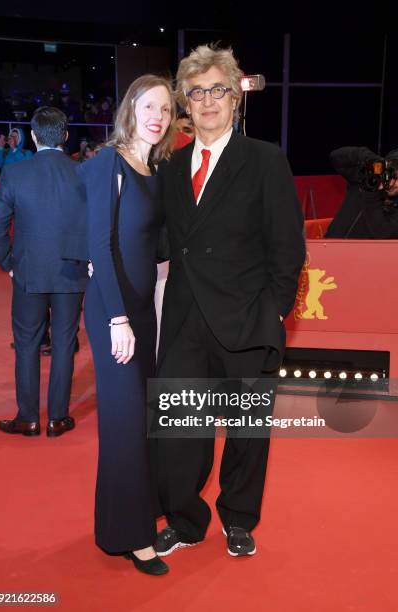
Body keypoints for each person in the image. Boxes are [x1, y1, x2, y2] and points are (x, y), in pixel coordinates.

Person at [152, 44, 305, 558]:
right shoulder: (171, 167)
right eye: (197, 92)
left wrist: (273, 313)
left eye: (219, 89)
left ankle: (238, 518)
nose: (209, 101)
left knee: (246, 433)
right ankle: (184, 519)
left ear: (235, 98)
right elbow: (161, 240)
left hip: (245, 318)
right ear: (186, 104)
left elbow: (288, 248)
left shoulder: (264, 159)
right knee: (180, 432)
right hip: (184, 320)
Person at [78, 75, 175, 576]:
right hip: (113, 310)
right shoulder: (108, 164)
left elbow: (153, 246)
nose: (157, 115)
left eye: (165, 108)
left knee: (141, 418)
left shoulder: (152, 170)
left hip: (142, 309)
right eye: (148, 105)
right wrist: (117, 316)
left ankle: (125, 519)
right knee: (124, 421)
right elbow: (101, 245)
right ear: (130, 109)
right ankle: (133, 537)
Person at [0, 106, 88, 437]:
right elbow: (95, 224)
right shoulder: (83, 173)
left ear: (32, 136)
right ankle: (57, 418)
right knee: (63, 343)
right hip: (72, 273)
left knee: (27, 344)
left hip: (28, 273)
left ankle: (28, 418)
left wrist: (8, 263)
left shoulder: (15, 175)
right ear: (64, 136)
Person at [325, 146, 398, 238]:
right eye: (391, 174)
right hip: (328, 247)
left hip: (360, 252)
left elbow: (383, 233)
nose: (393, 183)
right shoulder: (362, 178)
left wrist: (371, 192)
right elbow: (335, 157)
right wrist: (372, 160)